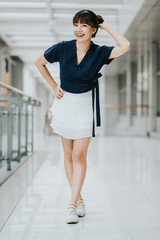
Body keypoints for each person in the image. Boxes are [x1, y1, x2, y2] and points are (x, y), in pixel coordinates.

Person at [35, 9, 131, 224]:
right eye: (76, 24)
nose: (78, 29)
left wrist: (106, 24)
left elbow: (126, 46)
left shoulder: (100, 52)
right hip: (64, 104)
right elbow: (39, 62)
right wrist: (53, 86)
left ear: (93, 30)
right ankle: (78, 198)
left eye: (84, 26)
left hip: (85, 105)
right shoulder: (62, 48)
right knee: (68, 155)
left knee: (79, 156)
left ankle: (71, 204)